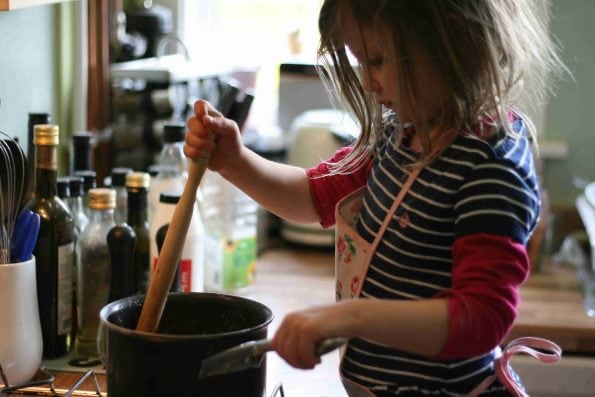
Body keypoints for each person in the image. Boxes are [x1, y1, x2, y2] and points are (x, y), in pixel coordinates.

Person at [185, 0, 566, 395]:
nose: (367, 82)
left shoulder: (489, 165)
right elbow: (312, 196)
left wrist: (348, 317)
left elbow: (483, 318)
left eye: (378, 60)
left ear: (458, 40)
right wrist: (236, 162)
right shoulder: (401, 135)